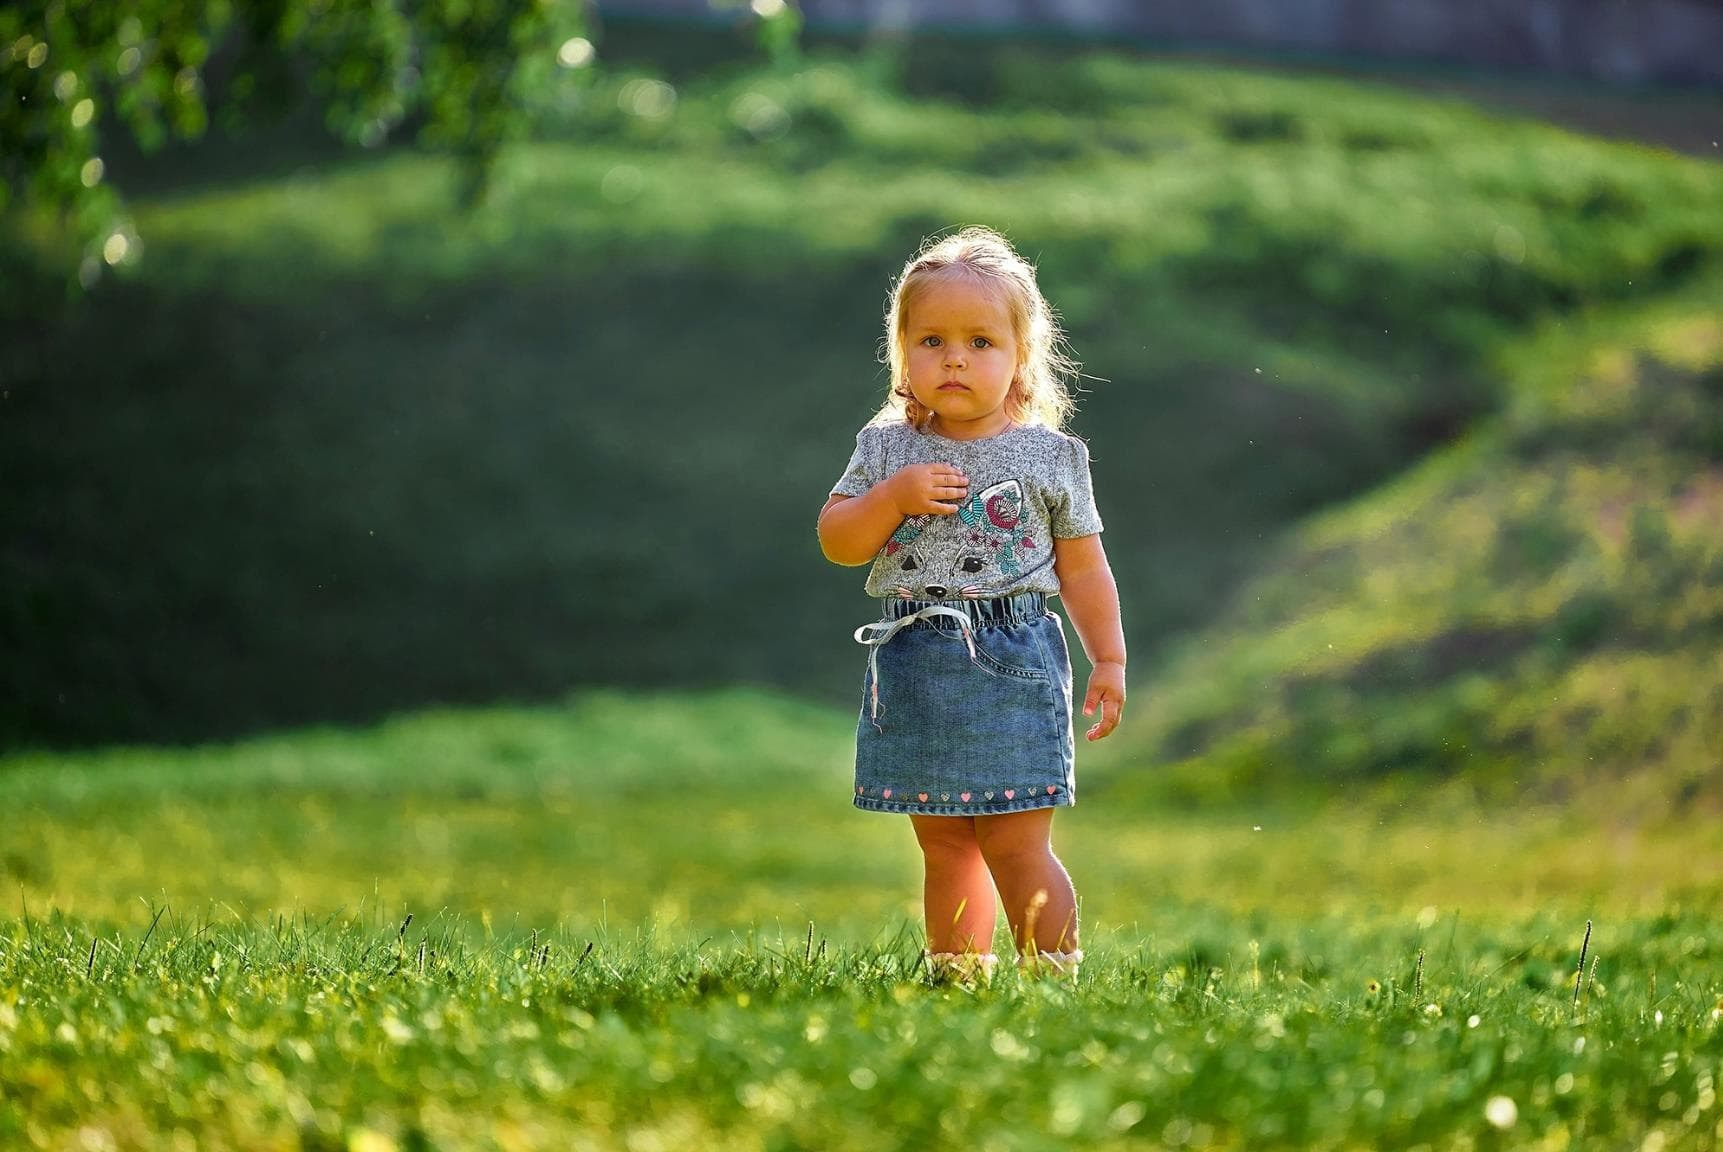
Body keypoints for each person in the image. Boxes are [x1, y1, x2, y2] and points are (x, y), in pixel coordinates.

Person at [816, 226, 1126, 983]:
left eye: (980, 341)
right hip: (914, 656)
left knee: (1015, 842)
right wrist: (890, 499)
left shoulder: (1050, 456)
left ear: (1021, 357)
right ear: (903, 355)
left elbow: (1084, 570)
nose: (953, 358)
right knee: (944, 842)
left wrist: (1108, 656)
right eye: (931, 340)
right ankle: (957, 974)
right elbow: (837, 540)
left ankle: (1052, 975)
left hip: (1011, 657)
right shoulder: (884, 449)